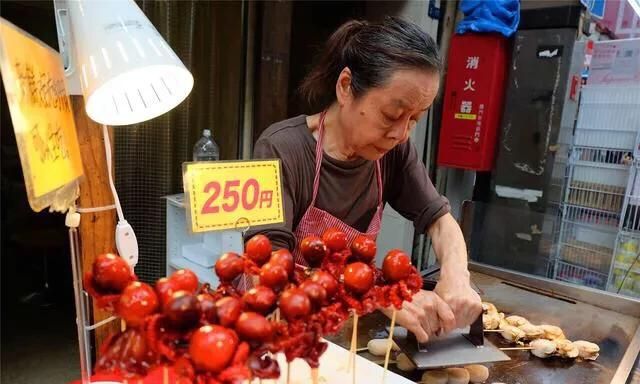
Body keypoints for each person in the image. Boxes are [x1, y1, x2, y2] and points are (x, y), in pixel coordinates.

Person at [252, 17, 482, 342]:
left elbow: (440, 221)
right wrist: (381, 296)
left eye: (414, 120)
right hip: (282, 329)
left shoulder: (394, 151)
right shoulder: (279, 148)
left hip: (346, 331)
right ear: (345, 86)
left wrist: (457, 275)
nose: (401, 134)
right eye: (391, 115)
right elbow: (271, 270)